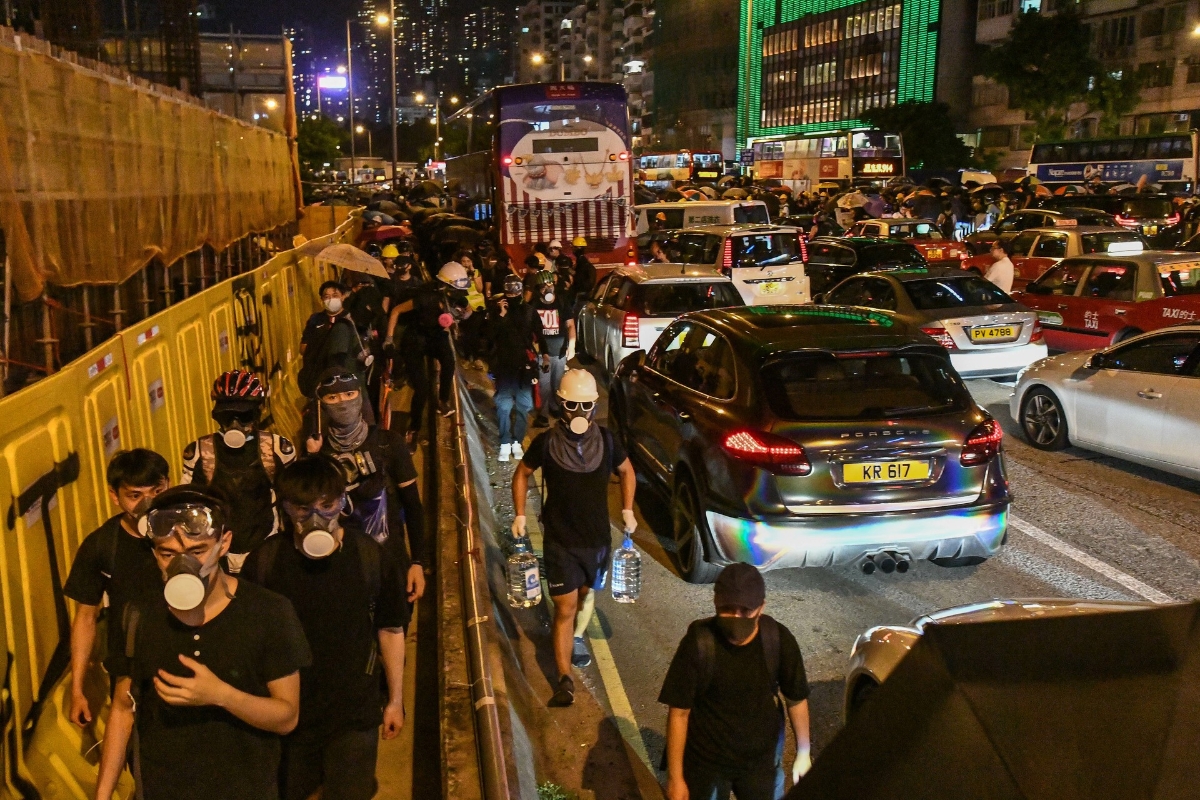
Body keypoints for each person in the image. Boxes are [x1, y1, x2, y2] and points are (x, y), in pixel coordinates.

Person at [93, 485, 312, 800]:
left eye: (197, 552)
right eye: (168, 554)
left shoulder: (269, 612)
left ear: (225, 543)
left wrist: (221, 695)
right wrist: (102, 794)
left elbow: (287, 717)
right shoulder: (139, 614)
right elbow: (122, 708)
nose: (183, 565)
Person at [243, 457, 409, 800]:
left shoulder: (369, 557)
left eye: (327, 505)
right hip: (289, 714)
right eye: (302, 508)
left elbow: (391, 630)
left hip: (354, 712)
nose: (316, 517)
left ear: (343, 502)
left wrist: (395, 700)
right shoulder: (264, 562)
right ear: (285, 508)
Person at [511, 370, 637, 706]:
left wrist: (627, 509)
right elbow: (522, 473)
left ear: (594, 406)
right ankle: (564, 679)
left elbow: (627, 470)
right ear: (561, 405)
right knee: (564, 608)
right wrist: (520, 514)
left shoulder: (607, 441)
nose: (578, 412)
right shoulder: (547, 443)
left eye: (585, 405)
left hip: (596, 541)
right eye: (571, 405)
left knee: (585, 596)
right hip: (560, 541)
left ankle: (574, 636)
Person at [659, 563, 811, 800]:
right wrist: (676, 779)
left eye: (746, 610)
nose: (737, 617)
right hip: (705, 762)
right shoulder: (699, 642)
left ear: (761, 607)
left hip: (760, 763)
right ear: (716, 603)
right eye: (728, 609)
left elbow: (796, 699)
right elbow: (679, 713)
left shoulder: (778, 640)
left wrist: (803, 752)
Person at [64, 449, 170, 727]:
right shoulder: (102, 545)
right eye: (135, 495)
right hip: (130, 672)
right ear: (115, 496)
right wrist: (77, 690)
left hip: (185, 662)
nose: (148, 503)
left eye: (157, 491)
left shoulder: (192, 534)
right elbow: (85, 618)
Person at [305, 368, 426, 601]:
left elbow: (413, 506)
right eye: (332, 397)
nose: (343, 402)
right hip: (342, 567)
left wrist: (418, 562)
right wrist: (313, 458)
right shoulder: (319, 452)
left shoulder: (388, 445)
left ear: (360, 396)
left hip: (389, 561)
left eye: (349, 394)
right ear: (321, 405)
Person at [181, 370, 297, 573]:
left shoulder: (277, 450)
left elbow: (294, 499)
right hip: (219, 552)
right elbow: (188, 505)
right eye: (227, 416)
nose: (235, 424)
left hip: (265, 546)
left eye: (244, 416)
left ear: (256, 414)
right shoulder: (199, 453)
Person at [387, 263, 473, 441]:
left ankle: (442, 401)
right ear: (445, 287)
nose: (459, 294)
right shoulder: (425, 298)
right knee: (422, 389)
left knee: (449, 361)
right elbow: (396, 311)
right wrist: (389, 338)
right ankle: (413, 429)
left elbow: (468, 307)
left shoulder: (455, 297)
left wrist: (464, 315)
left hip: (435, 337)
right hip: (415, 340)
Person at [487, 274, 538, 462]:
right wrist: (501, 315)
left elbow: (537, 334)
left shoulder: (528, 311)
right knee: (503, 406)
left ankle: (517, 441)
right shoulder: (497, 311)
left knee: (524, 406)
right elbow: (490, 336)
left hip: (523, 367)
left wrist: (544, 357)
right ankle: (505, 442)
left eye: (515, 292)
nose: (512, 295)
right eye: (509, 292)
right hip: (504, 367)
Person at [299, 281, 368, 397]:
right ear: (322, 299)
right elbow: (303, 348)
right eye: (327, 297)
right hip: (320, 375)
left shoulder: (351, 318)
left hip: (347, 375)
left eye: (335, 295)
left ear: (343, 296)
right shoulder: (315, 320)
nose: (331, 299)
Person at [529, 270, 575, 428]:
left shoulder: (562, 302)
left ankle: (555, 407)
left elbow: (570, 325)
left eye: (550, 285)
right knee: (544, 385)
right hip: (542, 354)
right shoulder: (534, 305)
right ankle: (543, 415)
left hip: (560, 351)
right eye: (543, 286)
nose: (547, 289)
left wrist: (572, 345)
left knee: (557, 384)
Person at [570, 237, 596, 319]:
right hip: (585, 294)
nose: (573, 250)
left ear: (577, 248)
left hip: (580, 295)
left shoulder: (581, 262)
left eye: (574, 247)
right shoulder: (582, 261)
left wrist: (573, 273)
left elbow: (579, 278)